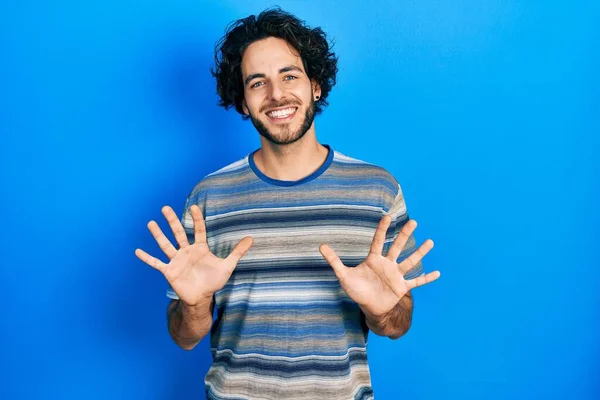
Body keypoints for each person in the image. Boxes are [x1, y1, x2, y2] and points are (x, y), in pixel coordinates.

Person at [135, 7, 440, 400]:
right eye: (257, 83)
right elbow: (184, 337)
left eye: (289, 76)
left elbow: (397, 324)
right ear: (242, 102)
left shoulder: (376, 191)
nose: (277, 94)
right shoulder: (208, 198)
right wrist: (195, 305)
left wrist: (382, 311)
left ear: (315, 84)